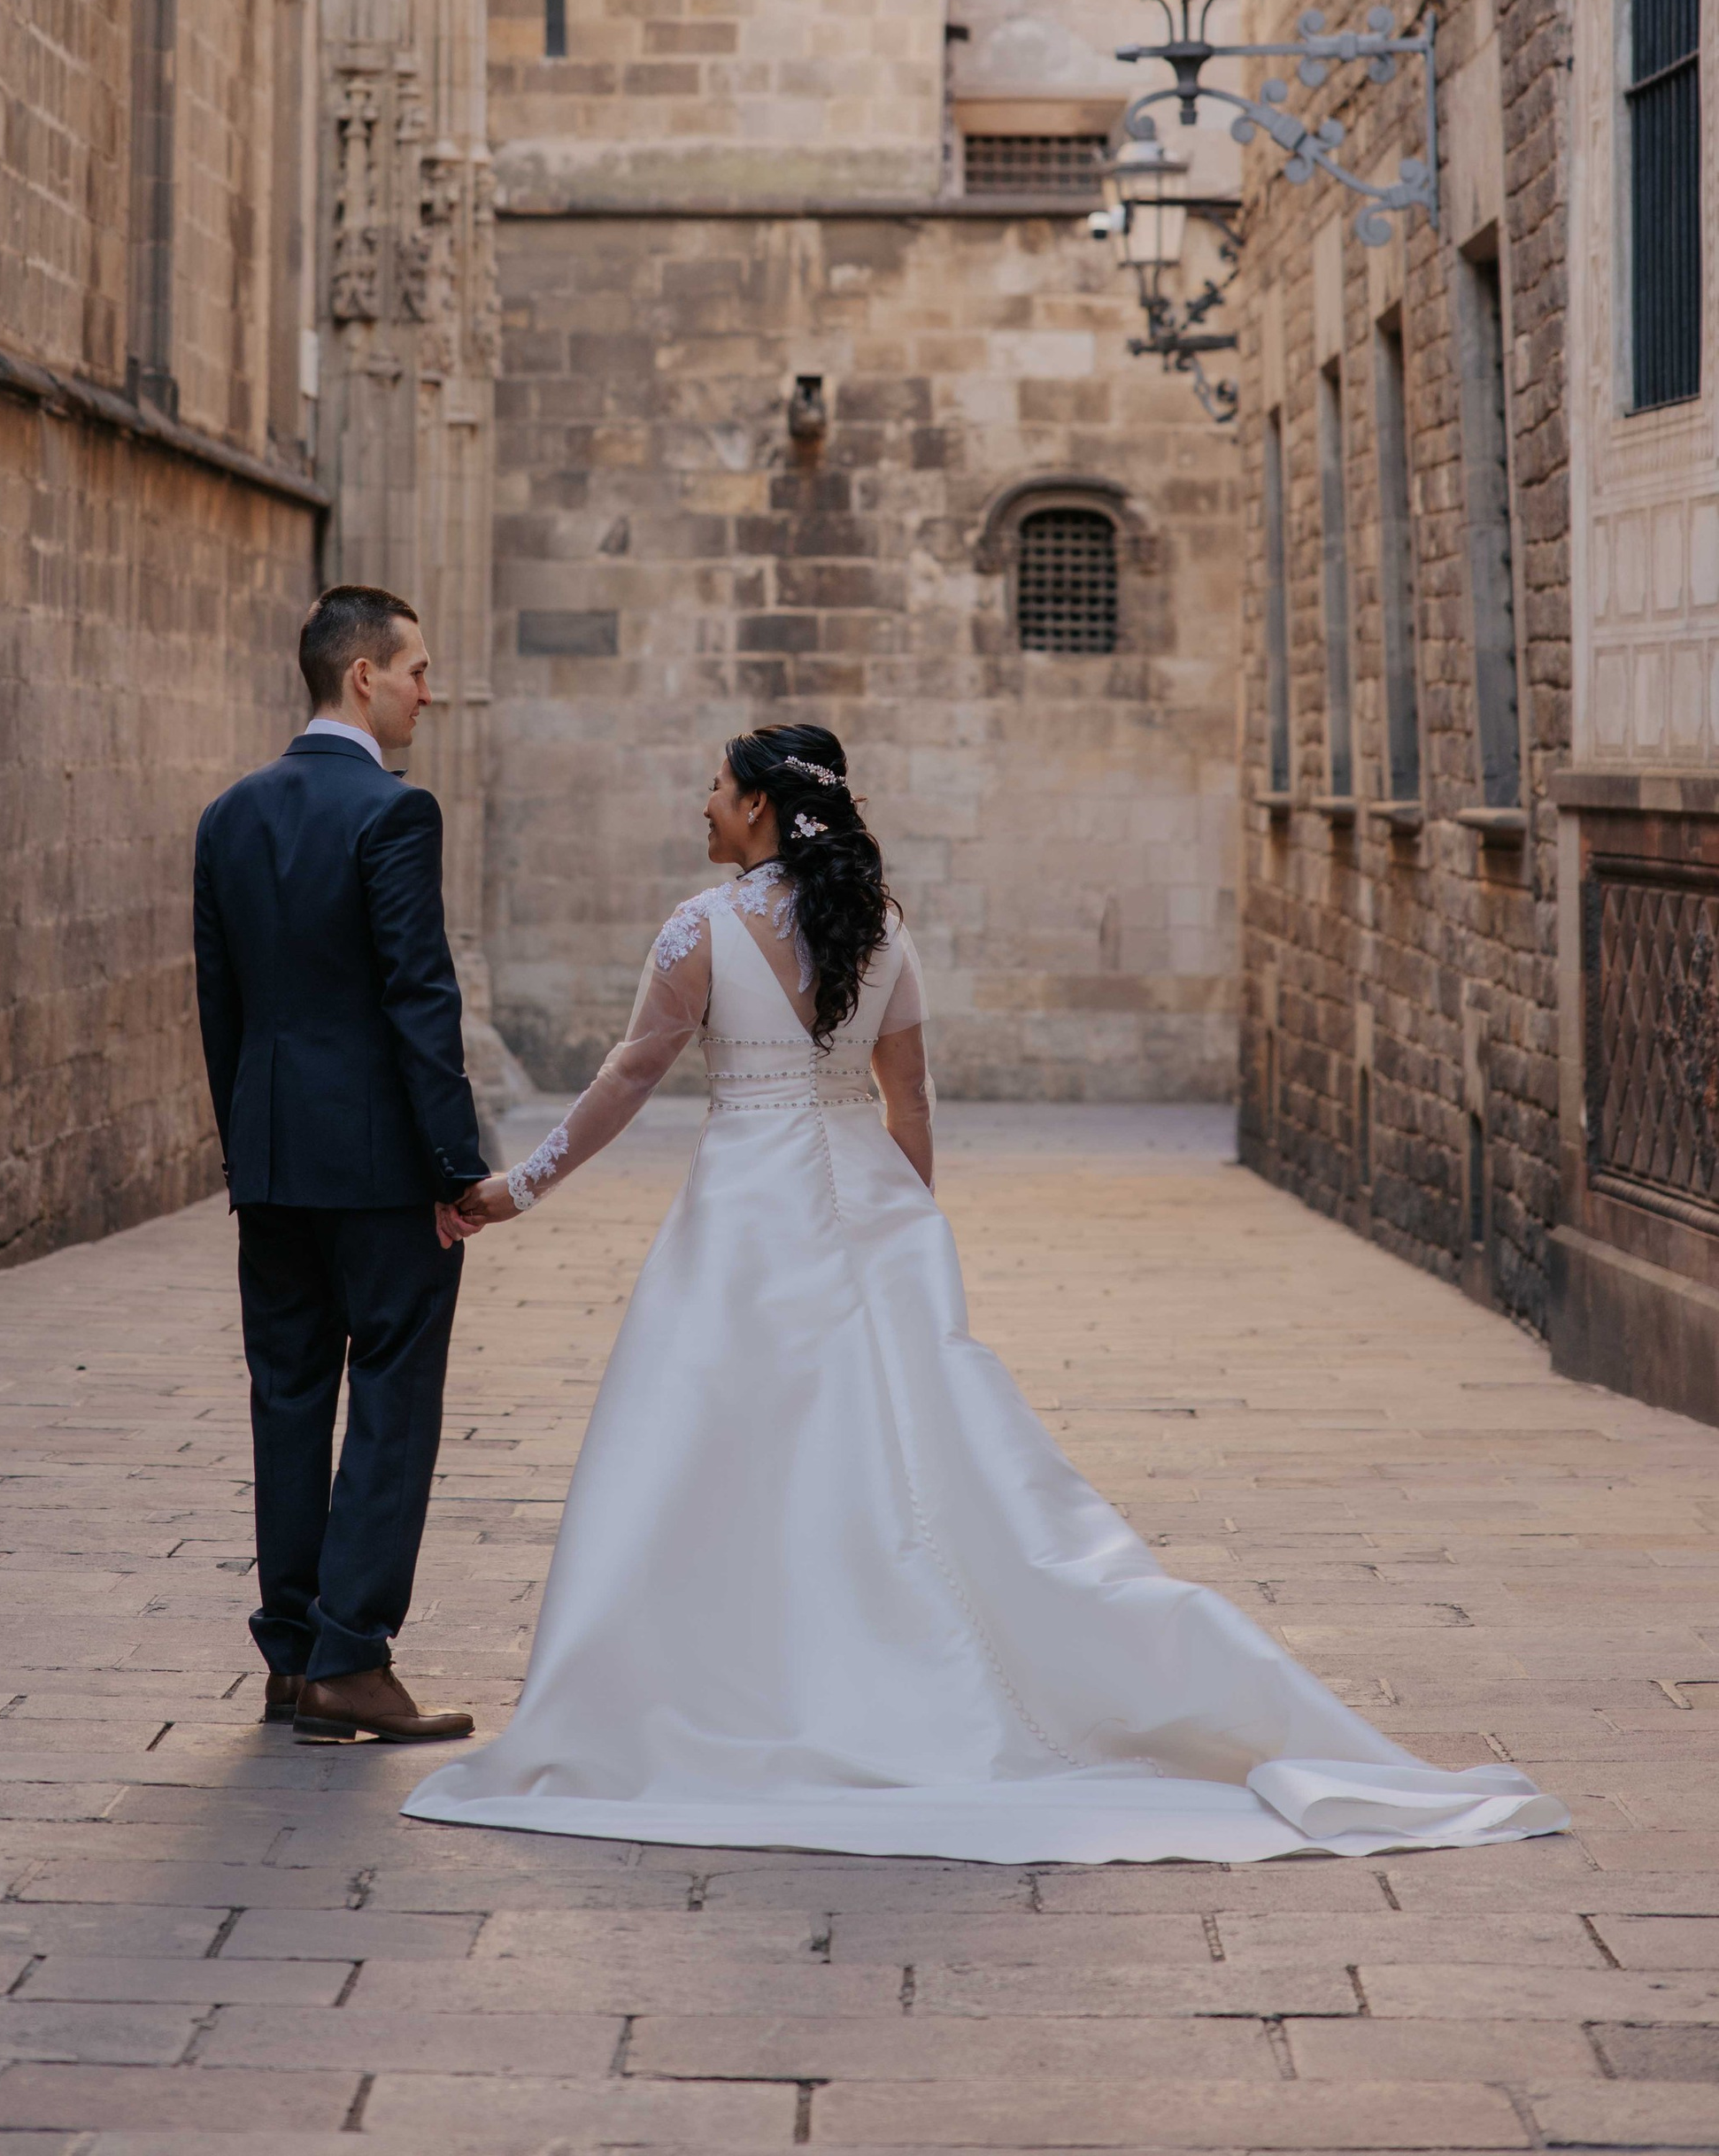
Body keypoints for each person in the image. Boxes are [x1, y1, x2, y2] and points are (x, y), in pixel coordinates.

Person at [403, 723, 1564, 1862]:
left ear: (759, 805)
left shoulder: (700, 929)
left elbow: (628, 1076)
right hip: (865, 1206)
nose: (701, 806)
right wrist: (907, 1229)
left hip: (745, 1223)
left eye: (712, 786)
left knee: (723, 1446)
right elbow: (909, 1104)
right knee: (898, 1456)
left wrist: (517, 1189)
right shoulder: (880, 925)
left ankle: (742, 1686)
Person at [194, 585, 490, 1744]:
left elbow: (222, 1006)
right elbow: (422, 997)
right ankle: (352, 1654)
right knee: (393, 1390)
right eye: (418, 666)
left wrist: (248, 1140)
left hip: (271, 1160)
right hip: (377, 1168)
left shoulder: (229, 815)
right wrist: (456, 1163)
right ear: (362, 676)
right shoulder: (392, 813)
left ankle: (291, 1652)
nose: (433, 687)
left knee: (289, 1390)